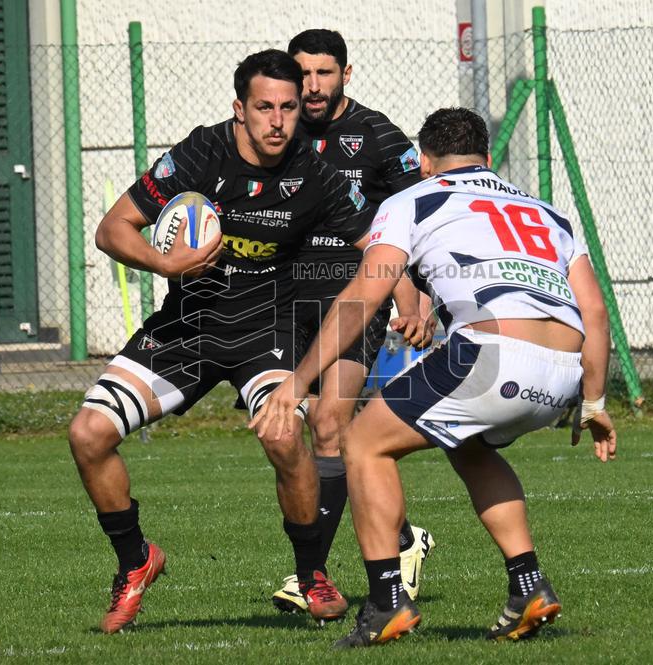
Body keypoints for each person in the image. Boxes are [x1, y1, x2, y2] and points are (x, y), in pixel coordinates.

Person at [251, 107, 618, 648]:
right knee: (466, 445)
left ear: (424, 163)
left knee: (363, 444)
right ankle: (529, 586)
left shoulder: (412, 199)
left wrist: (300, 376)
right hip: (563, 370)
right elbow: (596, 312)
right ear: (489, 159)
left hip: (492, 356)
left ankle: (386, 603)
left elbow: (364, 293)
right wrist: (594, 402)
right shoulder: (549, 212)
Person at [67, 49, 375, 634]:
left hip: (267, 329)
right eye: (264, 108)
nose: (279, 121)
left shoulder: (316, 172)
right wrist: (166, 260)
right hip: (189, 327)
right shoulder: (201, 153)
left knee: (285, 434)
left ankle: (311, 574)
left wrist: (410, 292)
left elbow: (376, 246)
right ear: (240, 108)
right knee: (88, 434)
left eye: (288, 108)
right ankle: (136, 562)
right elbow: (111, 230)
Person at [265, 28, 437, 616]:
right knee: (308, 430)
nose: (311, 86)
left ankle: (310, 574)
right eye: (302, 73)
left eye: (324, 73)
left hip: (356, 296)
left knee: (333, 422)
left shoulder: (378, 134)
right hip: (286, 300)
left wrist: (420, 295)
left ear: (346, 73)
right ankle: (405, 537)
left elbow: (424, 215)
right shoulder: (276, 132)